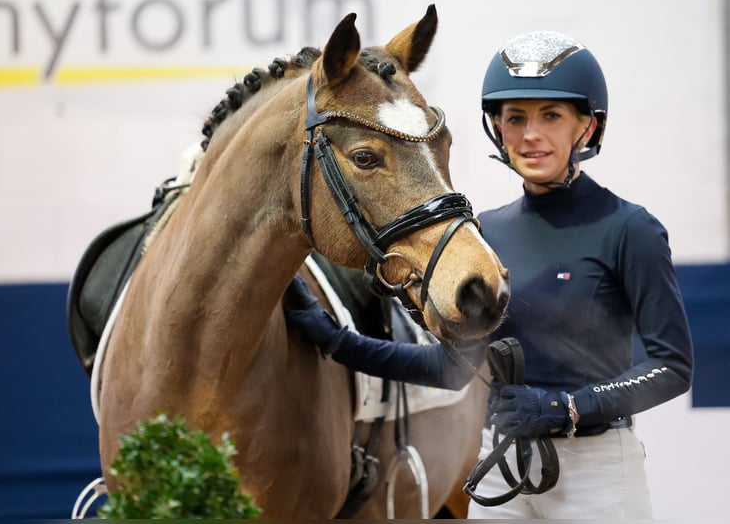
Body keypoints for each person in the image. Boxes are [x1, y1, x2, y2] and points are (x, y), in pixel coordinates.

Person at [283, 30, 694, 519]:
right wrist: (336, 342)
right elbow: (455, 368)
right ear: (497, 128)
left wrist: (570, 406)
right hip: (502, 470)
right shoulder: (484, 234)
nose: (529, 134)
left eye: (551, 116)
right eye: (515, 118)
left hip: (598, 473)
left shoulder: (631, 229)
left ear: (586, 126)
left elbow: (672, 366)